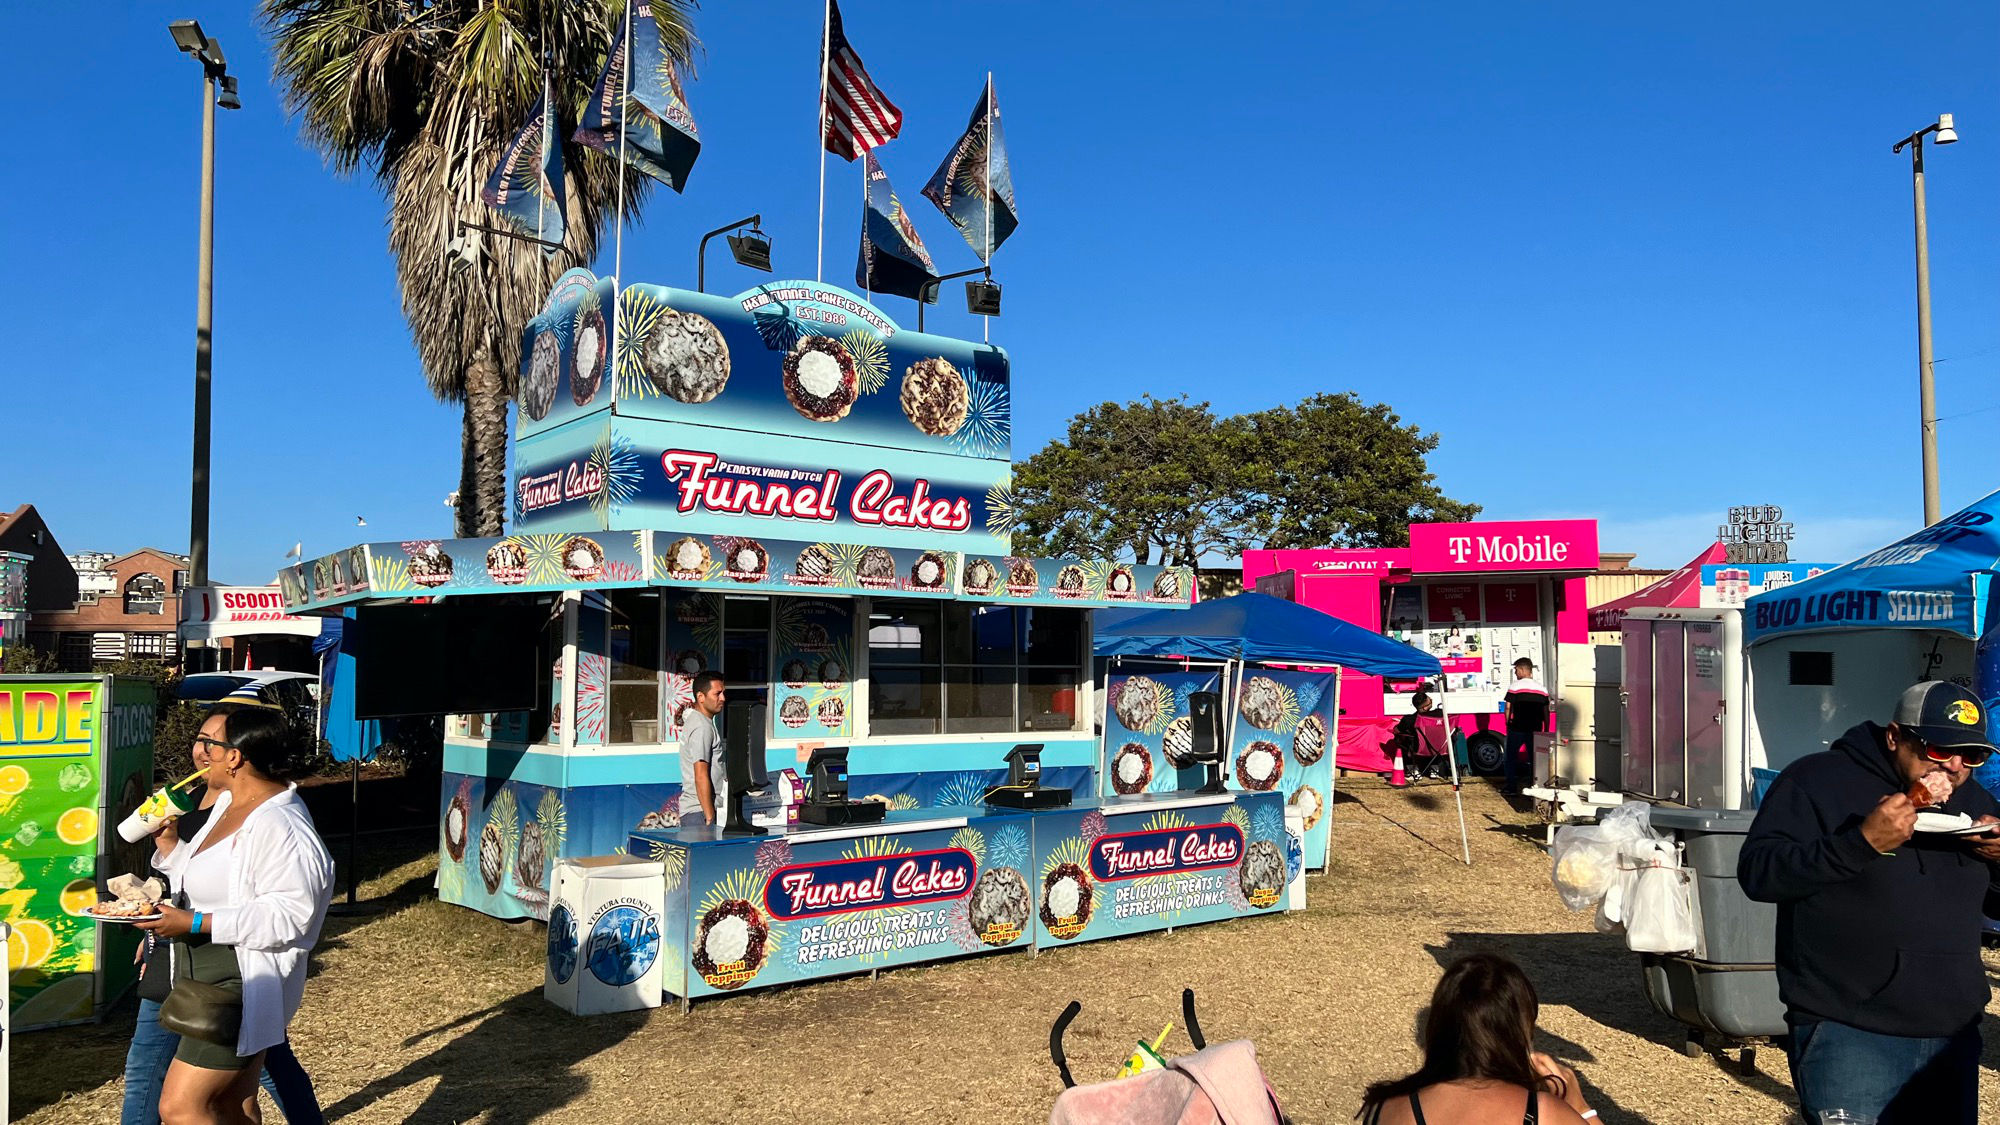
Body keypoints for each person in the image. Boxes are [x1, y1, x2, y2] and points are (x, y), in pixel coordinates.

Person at [1738, 681, 2000, 1123]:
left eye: (1972, 756)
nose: (1954, 767)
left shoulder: (1976, 803)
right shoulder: (1817, 781)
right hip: (1849, 1027)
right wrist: (1860, 843)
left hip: (1951, 1032)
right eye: (1939, 749)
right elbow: (1760, 875)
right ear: (1896, 736)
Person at [121, 702, 325, 1125]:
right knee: (234, 1104)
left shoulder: (281, 824)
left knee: (180, 1106)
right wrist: (169, 847)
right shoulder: (223, 807)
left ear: (234, 757)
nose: (200, 753)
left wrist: (193, 923)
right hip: (201, 973)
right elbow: (214, 884)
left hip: (242, 980)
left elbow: (292, 917)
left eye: (208, 744)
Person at [1356, 952, 1595, 1124]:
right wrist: (1581, 1109)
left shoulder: (1388, 1108)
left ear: (1438, 1030)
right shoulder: (1543, 1114)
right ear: (1520, 1035)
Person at [678, 672, 727, 827]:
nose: (723, 698)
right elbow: (700, 774)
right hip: (700, 813)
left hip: (701, 812)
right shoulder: (702, 727)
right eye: (717, 694)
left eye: (723, 693)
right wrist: (709, 816)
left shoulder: (700, 722)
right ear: (701, 697)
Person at [1501, 659, 1550, 795]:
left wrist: (1507, 723)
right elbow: (1546, 711)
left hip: (1517, 728)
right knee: (1534, 759)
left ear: (1522, 670)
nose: (1516, 673)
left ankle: (1511, 787)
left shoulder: (1515, 687)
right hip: (1535, 728)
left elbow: (1508, 707)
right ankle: (1534, 785)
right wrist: (1546, 728)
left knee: (1510, 758)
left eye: (1516, 670)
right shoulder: (1542, 689)